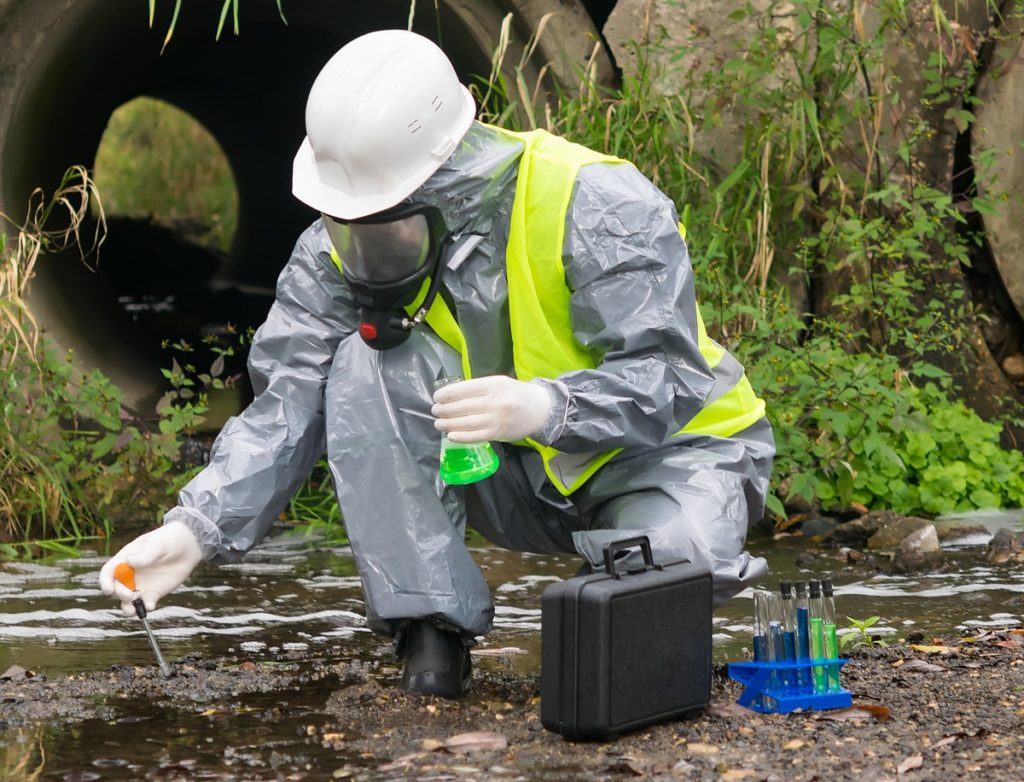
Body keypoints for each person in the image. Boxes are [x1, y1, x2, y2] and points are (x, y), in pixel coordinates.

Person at [99, 29, 775, 699]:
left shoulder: (595, 202)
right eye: (351, 219)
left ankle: (630, 605)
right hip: (511, 475)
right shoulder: (338, 244)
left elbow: (668, 374)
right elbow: (287, 403)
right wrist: (194, 532)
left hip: (666, 456)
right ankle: (430, 637)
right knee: (363, 363)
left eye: (382, 219)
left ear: (440, 176)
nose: (360, 242)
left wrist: (543, 407)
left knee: (665, 573)